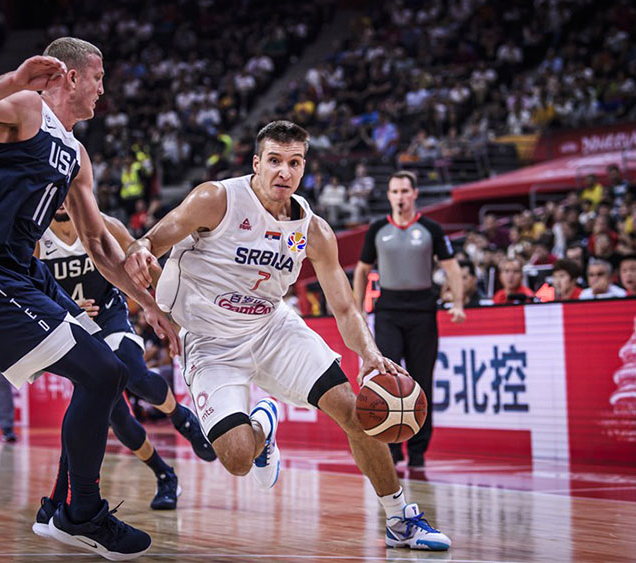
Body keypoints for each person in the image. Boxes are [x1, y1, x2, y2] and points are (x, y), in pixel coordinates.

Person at [125, 121, 451, 551]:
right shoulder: (216, 200)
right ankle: (264, 423)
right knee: (238, 458)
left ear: (304, 167)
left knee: (357, 412)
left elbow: (344, 307)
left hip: (272, 328)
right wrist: (141, 250)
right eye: (275, 161)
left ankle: (399, 519)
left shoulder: (313, 231)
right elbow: (153, 239)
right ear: (257, 164)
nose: (284, 171)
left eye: (294, 162)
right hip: (210, 341)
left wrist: (369, 353)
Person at [0, 37, 179, 560]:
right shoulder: (24, 109)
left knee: (107, 368)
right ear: (71, 77)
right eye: (99, 77)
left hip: (21, 274)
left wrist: (149, 304)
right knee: (102, 373)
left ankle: (58, 508)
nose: (103, 89)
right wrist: (14, 78)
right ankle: (82, 513)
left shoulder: (75, 152)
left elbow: (97, 246)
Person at [32, 204, 215, 519]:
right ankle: (164, 474)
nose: (61, 202)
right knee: (115, 417)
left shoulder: (100, 224)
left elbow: (138, 255)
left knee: (134, 374)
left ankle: (181, 417)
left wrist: (156, 300)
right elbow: (26, 286)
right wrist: (62, 307)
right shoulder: (35, 237)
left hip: (110, 317)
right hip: (73, 327)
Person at [353, 170, 466, 469]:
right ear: (388, 195)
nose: (400, 197)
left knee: (422, 380)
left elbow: (452, 267)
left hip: (422, 311)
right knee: (389, 379)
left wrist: (458, 303)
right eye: (395, 192)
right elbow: (362, 269)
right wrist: (357, 309)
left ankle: (417, 451)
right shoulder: (378, 228)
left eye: (405, 191)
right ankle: (391, 448)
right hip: (388, 310)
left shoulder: (431, 228)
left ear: (414, 194)